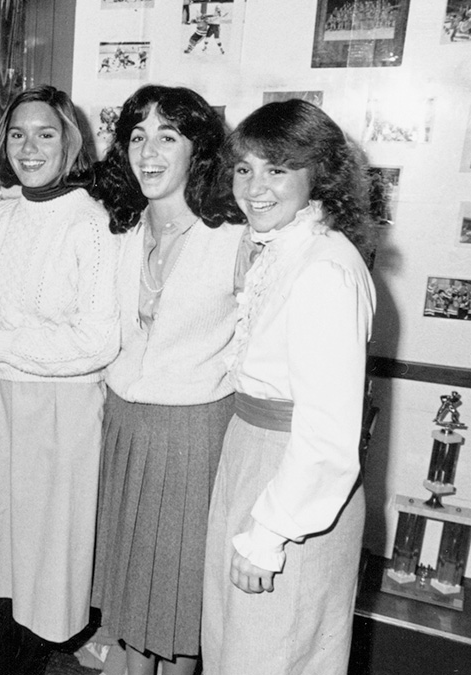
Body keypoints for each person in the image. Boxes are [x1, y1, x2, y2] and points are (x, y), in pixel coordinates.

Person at [0, 85, 121, 675]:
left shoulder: (94, 223)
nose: (30, 146)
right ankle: (0, 647)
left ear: (71, 141)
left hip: (60, 407)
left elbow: (97, 342)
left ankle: (22, 660)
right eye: (17, 134)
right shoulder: (5, 210)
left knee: (44, 553)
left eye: (46, 133)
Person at [202, 99, 376, 675]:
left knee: (274, 653)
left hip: (290, 477)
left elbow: (327, 429)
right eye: (244, 168)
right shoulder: (285, 249)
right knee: (239, 648)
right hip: (252, 455)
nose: (255, 187)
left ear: (318, 175)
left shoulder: (325, 267)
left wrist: (270, 532)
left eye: (277, 169)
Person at [88, 85, 245, 675]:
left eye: (167, 136)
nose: (148, 152)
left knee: (176, 614)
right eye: (137, 136)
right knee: (129, 603)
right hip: (123, 429)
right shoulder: (122, 230)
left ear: (197, 149)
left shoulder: (234, 238)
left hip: (193, 439)